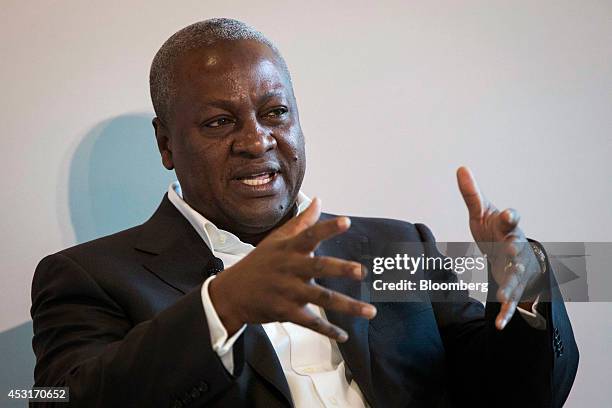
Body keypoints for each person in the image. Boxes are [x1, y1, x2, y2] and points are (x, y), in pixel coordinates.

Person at [31, 18, 578, 407]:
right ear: (166, 144)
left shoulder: (397, 247)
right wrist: (222, 306)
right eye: (220, 122)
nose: (256, 141)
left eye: (275, 113)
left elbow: (517, 395)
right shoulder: (89, 277)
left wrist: (522, 285)